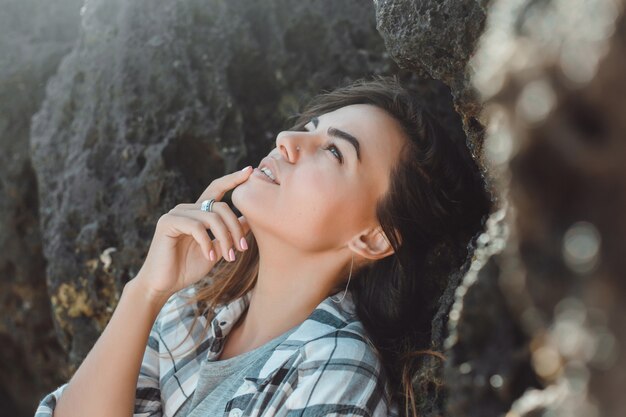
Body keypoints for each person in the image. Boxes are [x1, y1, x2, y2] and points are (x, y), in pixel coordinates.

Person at [35, 76, 491, 417]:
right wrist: (145, 292)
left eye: (334, 151)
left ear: (372, 239)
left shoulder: (334, 372)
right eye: (310, 126)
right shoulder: (191, 314)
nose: (288, 141)